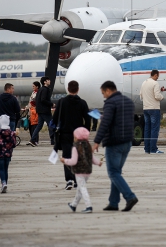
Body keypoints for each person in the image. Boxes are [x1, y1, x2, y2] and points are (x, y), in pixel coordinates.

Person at [93, 81, 138, 212]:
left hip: (114, 142)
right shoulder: (129, 102)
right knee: (116, 172)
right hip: (127, 142)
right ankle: (113, 203)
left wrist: (96, 141)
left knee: (113, 172)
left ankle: (130, 196)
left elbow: (105, 123)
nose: (103, 96)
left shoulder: (110, 103)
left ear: (108, 90)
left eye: (103, 93)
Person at [53, 81, 92, 190]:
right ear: (78, 89)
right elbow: (88, 119)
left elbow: (55, 118)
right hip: (78, 135)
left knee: (66, 156)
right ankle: (76, 180)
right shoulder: (82, 103)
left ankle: (69, 180)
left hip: (65, 134)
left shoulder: (61, 102)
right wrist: (85, 131)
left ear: (68, 89)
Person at [63, 127, 102, 213]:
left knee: (83, 188)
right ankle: (74, 204)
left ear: (76, 137)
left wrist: (65, 161)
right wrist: (98, 163)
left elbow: (73, 161)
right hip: (88, 171)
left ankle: (89, 206)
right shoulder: (88, 146)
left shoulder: (75, 147)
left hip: (79, 171)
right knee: (80, 188)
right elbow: (92, 158)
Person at [140, 69, 165, 154]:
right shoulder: (155, 83)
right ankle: (153, 149)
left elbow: (141, 95)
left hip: (146, 108)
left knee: (147, 128)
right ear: (155, 75)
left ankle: (147, 149)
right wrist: (162, 97)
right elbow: (157, 96)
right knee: (154, 129)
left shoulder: (144, 83)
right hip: (154, 108)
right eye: (157, 76)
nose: (157, 77)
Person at [29, 77, 53, 147]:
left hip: (39, 110)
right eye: (48, 80)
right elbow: (43, 100)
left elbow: (37, 100)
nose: (50, 81)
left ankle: (32, 140)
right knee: (51, 125)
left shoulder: (40, 90)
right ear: (45, 82)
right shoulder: (45, 90)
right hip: (45, 111)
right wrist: (51, 104)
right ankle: (53, 140)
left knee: (39, 126)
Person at [0, 116, 15, 193]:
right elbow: (14, 144)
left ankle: (3, 182)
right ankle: (5, 183)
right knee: (6, 169)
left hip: (0, 153)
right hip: (8, 154)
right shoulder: (11, 133)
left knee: (1, 169)